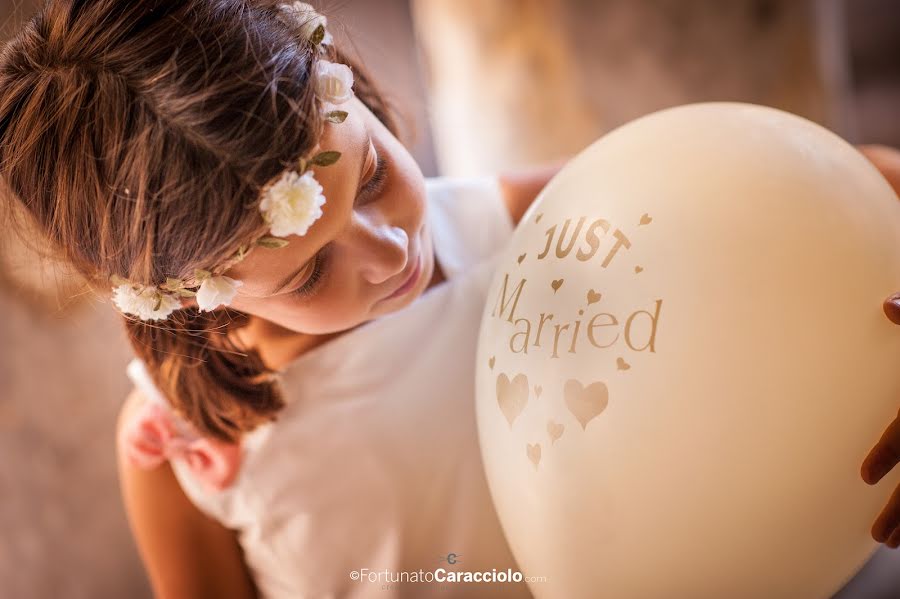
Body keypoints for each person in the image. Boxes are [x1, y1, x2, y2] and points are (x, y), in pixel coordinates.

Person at [0, 1, 898, 597]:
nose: (393, 251)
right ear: (200, 298)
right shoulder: (182, 457)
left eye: (376, 175)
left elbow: (817, 185)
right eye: (310, 273)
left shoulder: (512, 225)